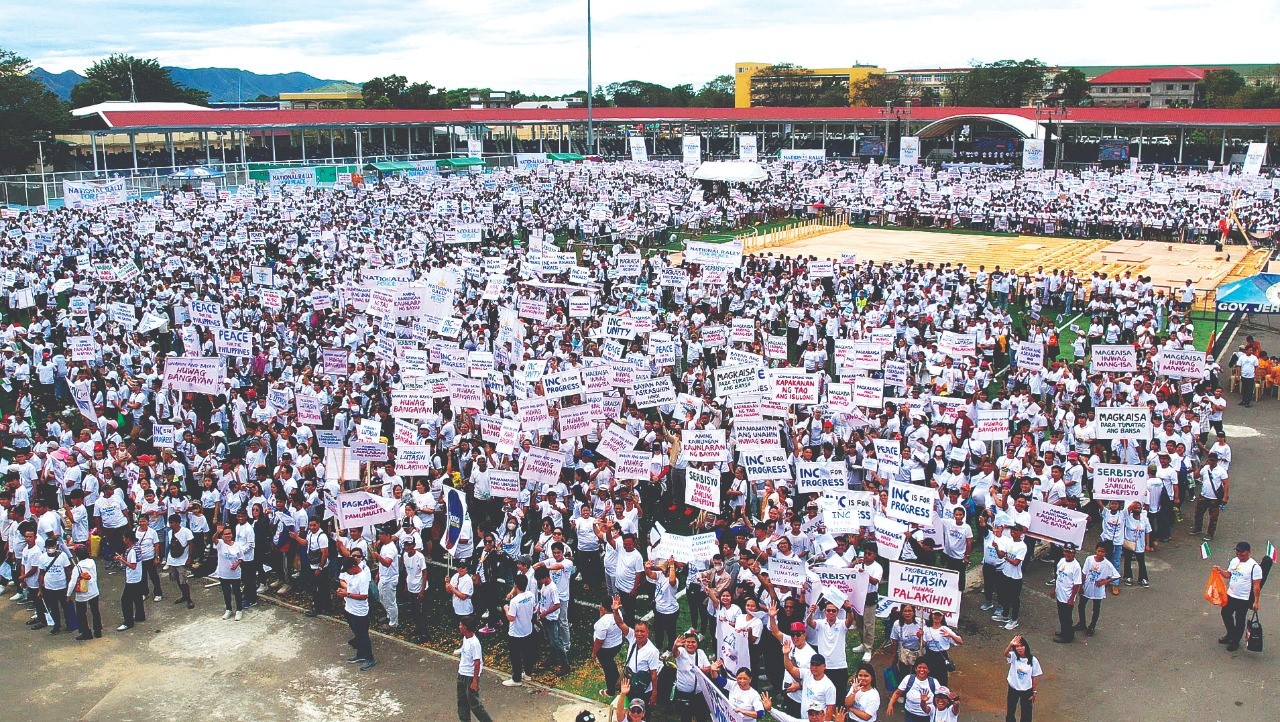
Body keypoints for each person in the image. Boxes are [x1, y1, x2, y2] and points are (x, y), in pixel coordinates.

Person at [1213, 541, 1263, 652]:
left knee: (1240, 619)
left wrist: (1256, 601)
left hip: (1243, 598)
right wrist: (1220, 571)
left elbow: (1256, 586)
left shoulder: (1254, 567)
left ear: (1249, 552)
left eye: (1242, 552)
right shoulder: (1234, 561)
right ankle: (1230, 634)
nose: (1239, 554)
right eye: (1237, 551)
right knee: (1225, 613)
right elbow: (1228, 575)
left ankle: (1235, 641)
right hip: (1231, 595)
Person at [615, 595, 662, 709]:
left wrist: (654, 693)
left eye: (642, 631)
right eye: (637, 631)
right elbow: (620, 623)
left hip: (642, 687)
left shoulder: (652, 651)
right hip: (630, 682)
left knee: (641, 711)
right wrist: (615, 611)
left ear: (648, 632)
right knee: (629, 708)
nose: (639, 634)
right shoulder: (632, 637)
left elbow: (654, 674)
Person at [338, 553, 376, 671]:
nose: (347, 572)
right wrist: (343, 591)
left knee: (363, 635)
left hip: (359, 612)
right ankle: (360, 654)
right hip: (349, 609)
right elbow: (347, 585)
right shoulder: (351, 575)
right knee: (358, 634)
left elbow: (364, 596)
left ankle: (370, 658)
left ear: (354, 567)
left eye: (348, 570)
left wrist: (347, 594)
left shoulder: (363, 577)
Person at [672, 629, 718, 722]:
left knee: (701, 717)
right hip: (684, 693)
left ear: (697, 643)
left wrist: (700, 670)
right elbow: (675, 653)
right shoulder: (681, 651)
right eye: (688, 642)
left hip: (699, 693)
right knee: (685, 718)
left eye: (693, 642)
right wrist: (675, 646)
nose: (690, 644)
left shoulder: (700, 653)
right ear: (684, 643)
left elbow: (708, 668)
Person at [456, 616, 495, 722]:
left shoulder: (474, 644)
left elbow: (477, 663)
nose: (459, 626)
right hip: (462, 674)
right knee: (462, 701)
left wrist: (475, 681)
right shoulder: (466, 638)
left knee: (474, 704)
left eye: (460, 625)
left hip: (470, 676)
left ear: (465, 628)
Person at [502, 573, 537, 687]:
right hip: (528, 629)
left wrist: (506, 609)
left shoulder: (515, 601)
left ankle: (516, 679)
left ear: (515, 585)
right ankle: (527, 674)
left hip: (516, 633)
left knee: (515, 656)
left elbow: (511, 618)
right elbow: (534, 609)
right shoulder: (531, 595)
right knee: (528, 653)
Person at [1076, 543, 1119, 636]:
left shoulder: (1107, 564)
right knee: (1081, 605)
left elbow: (1116, 575)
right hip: (1087, 586)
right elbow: (1084, 573)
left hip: (1097, 589)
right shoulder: (1089, 559)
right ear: (1096, 550)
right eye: (1099, 551)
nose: (1100, 553)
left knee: (1096, 608)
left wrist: (1104, 582)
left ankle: (1092, 626)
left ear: (1106, 553)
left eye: (1102, 552)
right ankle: (1082, 623)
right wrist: (1081, 586)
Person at [35, 537, 72, 634]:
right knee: (53, 607)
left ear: (56, 546)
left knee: (65, 606)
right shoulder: (42, 558)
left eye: (52, 546)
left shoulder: (63, 556)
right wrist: (40, 589)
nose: (51, 548)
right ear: (45, 547)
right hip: (49, 587)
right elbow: (41, 574)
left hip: (62, 586)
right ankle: (57, 625)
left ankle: (69, 624)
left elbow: (68, 571)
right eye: (49, 547)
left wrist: (68, 586)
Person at [993, 525, 1027, 630]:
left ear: (1020, 533)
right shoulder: (1009, 542)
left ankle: (1014, 620)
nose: (1013, 532)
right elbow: (1000, 555)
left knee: (1014, 599)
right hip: (1005, 573)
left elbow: (1016, 562)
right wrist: (996, 548)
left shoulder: (1022, 546)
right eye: (1012, 530)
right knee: (1005, 596)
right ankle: (1005, 615)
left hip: (1015, 577)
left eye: (1015, 531)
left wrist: (1005, 556)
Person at [593, 599, 627, 699]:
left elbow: (599, 641)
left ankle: (610, 691)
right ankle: (617, 681)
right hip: (617, 644)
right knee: (611, 665)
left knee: (608, 670)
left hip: (605, 649)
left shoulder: (602, 623)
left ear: (603, 608)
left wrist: (594, 653)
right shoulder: (618, 613)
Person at [1003, 636, 1041, 722]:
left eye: (1021, 646)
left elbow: (1035, 676)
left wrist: (1034, 691)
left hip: (1027, 690)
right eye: (1017, 646)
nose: (1020, 648)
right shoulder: (1014, 656)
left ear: (1026, 646)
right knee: (1010, 710)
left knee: (1026, 713)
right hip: (1013, 688)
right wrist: (1010, 645)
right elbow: (1005, 654)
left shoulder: (1033, 660)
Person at [1192, 453, 1229, 542]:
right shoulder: (1205, 468)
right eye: (1210, 460)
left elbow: (1226, 484)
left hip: (1214, 498)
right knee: (1198, 513)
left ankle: (1210, 533)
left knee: (1213, 517)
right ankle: (1198, 528)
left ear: (1216, 461)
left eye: (1213, 460)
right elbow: (1196, 476)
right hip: (1203, 496)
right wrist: (1200, 467)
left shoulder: (1221, 471)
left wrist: (1225, 497)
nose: (1211, 462)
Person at [920, 611, 962, 686]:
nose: (937, 617)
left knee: (941, 678)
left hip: (941, 656)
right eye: (935, 615)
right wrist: (919, 637)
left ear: (942, 617)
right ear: (931, 615)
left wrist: (950, 635)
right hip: (929, 655)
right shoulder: (926, 628)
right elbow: (923, 644)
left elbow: (960, 641)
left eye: (939, 615)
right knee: (928, 677)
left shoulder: (945, 629)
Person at [1051, 542, 1082, 644]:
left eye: (1070, 552)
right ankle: (1064, 632)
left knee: (1066, 617)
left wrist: (1072, 598)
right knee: (1061, 615)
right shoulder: (1062, 561)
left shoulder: (1076, 567)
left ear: (1074, 553)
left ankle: (1067, 636)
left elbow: (1077, 584)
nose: (1067, 554)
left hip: (1067, 596)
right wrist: (1054, 589)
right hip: (1060, 594)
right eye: (1065, 551)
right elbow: (1058, 576)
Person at [115, 530, 146, 631]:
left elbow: (133, 566)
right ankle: (140, 615)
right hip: (138, 576)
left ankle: (128, 622)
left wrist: (121, 560)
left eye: (124, 538)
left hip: (132, 578)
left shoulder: (132, 550)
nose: (123, 540)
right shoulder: (137, 547)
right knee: (137, 597)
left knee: (125, 600)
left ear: (128, 539)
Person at [71, 543, 101, 641]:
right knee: (95, 611)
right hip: (94, 590)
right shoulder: (92, 562)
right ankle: (98, 631)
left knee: (81, 613)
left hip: (83, 593)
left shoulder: (77, 567)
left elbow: (72, 583)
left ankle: (86, 632)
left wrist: (68, 594)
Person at [213, 525, 244, 620]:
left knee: (237, 592)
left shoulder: (237, 545)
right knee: (226, 592)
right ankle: (228, 609)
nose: (228, 535)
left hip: (235, 574)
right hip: (223, 573)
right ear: (222, 536)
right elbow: (213, 539)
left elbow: (241, 558)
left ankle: (239, 610)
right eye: (225, 534)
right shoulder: (220, 543)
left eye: (229, 533)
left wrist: (237, 564)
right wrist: (218, 531)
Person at [166, 513, 195, 609]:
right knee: (177, 580)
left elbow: (191, 545)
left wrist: (189, 558)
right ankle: (184, 596)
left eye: (172, 523)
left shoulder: (186, 531)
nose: (170, 525)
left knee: (183, 581)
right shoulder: (170, 533)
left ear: (178, 523)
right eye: (170, 522)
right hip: (172, 559)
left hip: (182, 560)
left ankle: (189, 599)